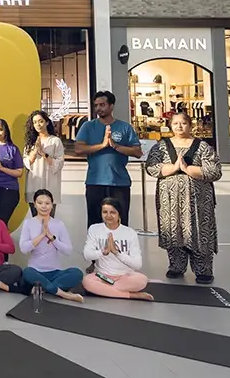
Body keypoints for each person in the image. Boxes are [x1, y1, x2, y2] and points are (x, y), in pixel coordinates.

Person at [145, 112, 222, 284]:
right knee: (172, 228)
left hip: (199, 200)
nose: (179, 127)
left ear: (190, 125)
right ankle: (176, 265)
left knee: (199, 230)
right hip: (169, 199)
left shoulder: (202, 146)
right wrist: (173, 168)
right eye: (176, 123)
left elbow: (215, 171)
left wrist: (188, 170)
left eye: (183, 123)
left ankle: (203, 269)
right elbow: (151, 167)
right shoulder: (161, 146)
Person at [76, 91, 141, 231]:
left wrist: (116, 146)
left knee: (120, 223)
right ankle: (96, 251)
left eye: (102, 105)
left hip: (119, 182)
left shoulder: (125, 127)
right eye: (96, 105)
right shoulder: (88, 126)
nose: (99, 108)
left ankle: (119, 250)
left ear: (111, 106)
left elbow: (137, 152)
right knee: (94, 222)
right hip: (95, 182)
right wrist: (102, 145)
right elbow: (79, 149)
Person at [82, 198, 152, 300]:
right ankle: (131, 295)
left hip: (125, 276)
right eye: (105, 212)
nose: (108, 216)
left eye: (113, 212)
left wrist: (117, 253)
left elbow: (137, 264)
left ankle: (107, 290)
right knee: (87, 281)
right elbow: (87, 255)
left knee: (141, 280)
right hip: (102, 277)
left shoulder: (129, 233)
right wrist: (103, 252)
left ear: (119, 214)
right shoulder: (94, 229)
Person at [19, 189, 84, 302]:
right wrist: (41, 236)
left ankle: (44, 288)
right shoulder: (28, 223)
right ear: (34, 205)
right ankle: (64, 294)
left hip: (55, 272)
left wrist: (52, 238)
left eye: (47, 203)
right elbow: (24, 248)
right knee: (27, 272)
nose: (44, 206)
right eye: (40, 203)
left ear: (52, 205)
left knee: (76, 273)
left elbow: (68, 250)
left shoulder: (59, 224)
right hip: (36, 271)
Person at [23, 110, 65, 217]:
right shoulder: (30, 142)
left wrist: (44, 154)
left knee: (49, 220)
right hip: (34, 183)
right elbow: (27, 163)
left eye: (41, 121)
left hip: (50, 184)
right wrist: (35, 150)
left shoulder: (55, 141)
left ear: (47, 122)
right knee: (35, 220)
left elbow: (59, 164)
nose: (38, 124)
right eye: (35, 122)